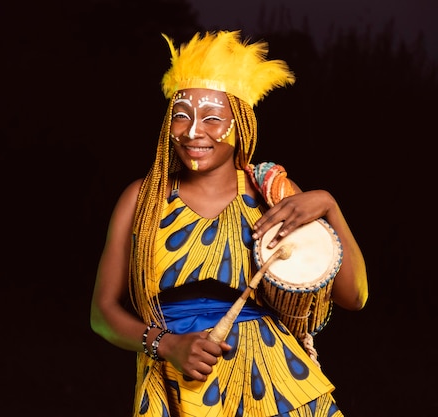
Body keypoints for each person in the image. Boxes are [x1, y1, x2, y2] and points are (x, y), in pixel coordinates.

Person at [90, 30, 368, 417]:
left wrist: (329, 206)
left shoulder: (273, 195)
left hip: (276, 382)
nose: (192, 131)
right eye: (181, 115)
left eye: (213, 118)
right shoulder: (142, 199)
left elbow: (354, 297)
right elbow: (101, 314)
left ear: (242, 124)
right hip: (175, 382)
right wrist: (167, 345)